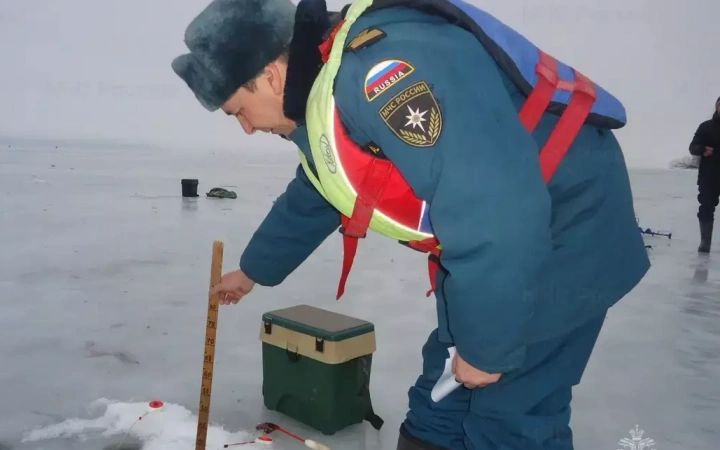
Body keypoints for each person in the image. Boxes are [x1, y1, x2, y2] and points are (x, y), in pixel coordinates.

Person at [173, 0, 651, 448]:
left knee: (509, 408)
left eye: (238, 111)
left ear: (271, 76)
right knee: (440, 395)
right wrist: (252, 271)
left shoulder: (382, 75)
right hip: (500, 239)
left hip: (564, 225)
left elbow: (495, 205)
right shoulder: (323, 95)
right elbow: (318, 190)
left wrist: (487, 348)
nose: (247, 129)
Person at [688, 96, 720, 253]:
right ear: (716, 107)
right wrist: (702, 150)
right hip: (709, 176)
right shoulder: (706, 127)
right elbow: (692, 147)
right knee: (706, 207)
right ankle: (705, 242)